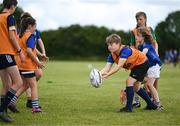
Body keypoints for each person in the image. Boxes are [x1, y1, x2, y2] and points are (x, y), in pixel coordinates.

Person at [100, 34, 157, 112]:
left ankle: (128, 108)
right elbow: (106, 68)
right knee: (136, 88)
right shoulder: (112, 55)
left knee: (129, 81)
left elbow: (119, 66)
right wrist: (98, 74)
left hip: (142, 63)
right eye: (108, 45)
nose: (109, 47)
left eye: (111, 44)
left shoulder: (125, 50)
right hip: (137, 65)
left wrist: (108, 75)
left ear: (118, 43)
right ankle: (151, 105)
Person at [0, 0, 25, 122]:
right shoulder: (10, 17)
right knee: (18, 82)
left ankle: (3, 112)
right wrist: (20, 51)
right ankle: (1, 110)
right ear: (13, 6)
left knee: (7, 85)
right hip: (6, 53)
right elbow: (11, 36)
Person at [13, 17, 44, 113]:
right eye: (35, 26)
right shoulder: (30, 35)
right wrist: (38, 62)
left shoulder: (20, 35)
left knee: (24, 84)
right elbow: (29, 51)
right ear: (30, 26)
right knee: (33, 85)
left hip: (20, 65)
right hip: (28, 65)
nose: (35, 29)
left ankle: (11, 101)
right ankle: (35, 108)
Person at [130, 11, 159, 108]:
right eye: (137, 19)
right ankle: (138, 102)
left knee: (148, 82)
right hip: (141, 61)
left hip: (150, 61)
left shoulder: (149, 30)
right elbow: (132, 46)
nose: (138, 21)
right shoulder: (134, 31)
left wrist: (156, 54)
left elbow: (154, 43)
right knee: (139, 80)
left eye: (140, 19)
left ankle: (155, 102)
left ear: (145, 19)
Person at [136, 26, 163, 109]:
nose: (136, 37)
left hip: (154, 66)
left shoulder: (146, 45)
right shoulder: (140, 46)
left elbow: (143, 53)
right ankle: (146, 103)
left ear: (143, 37)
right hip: (149, 67)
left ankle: (158, 104)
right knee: (137, 83)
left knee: (149, 85)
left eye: (138, 35)